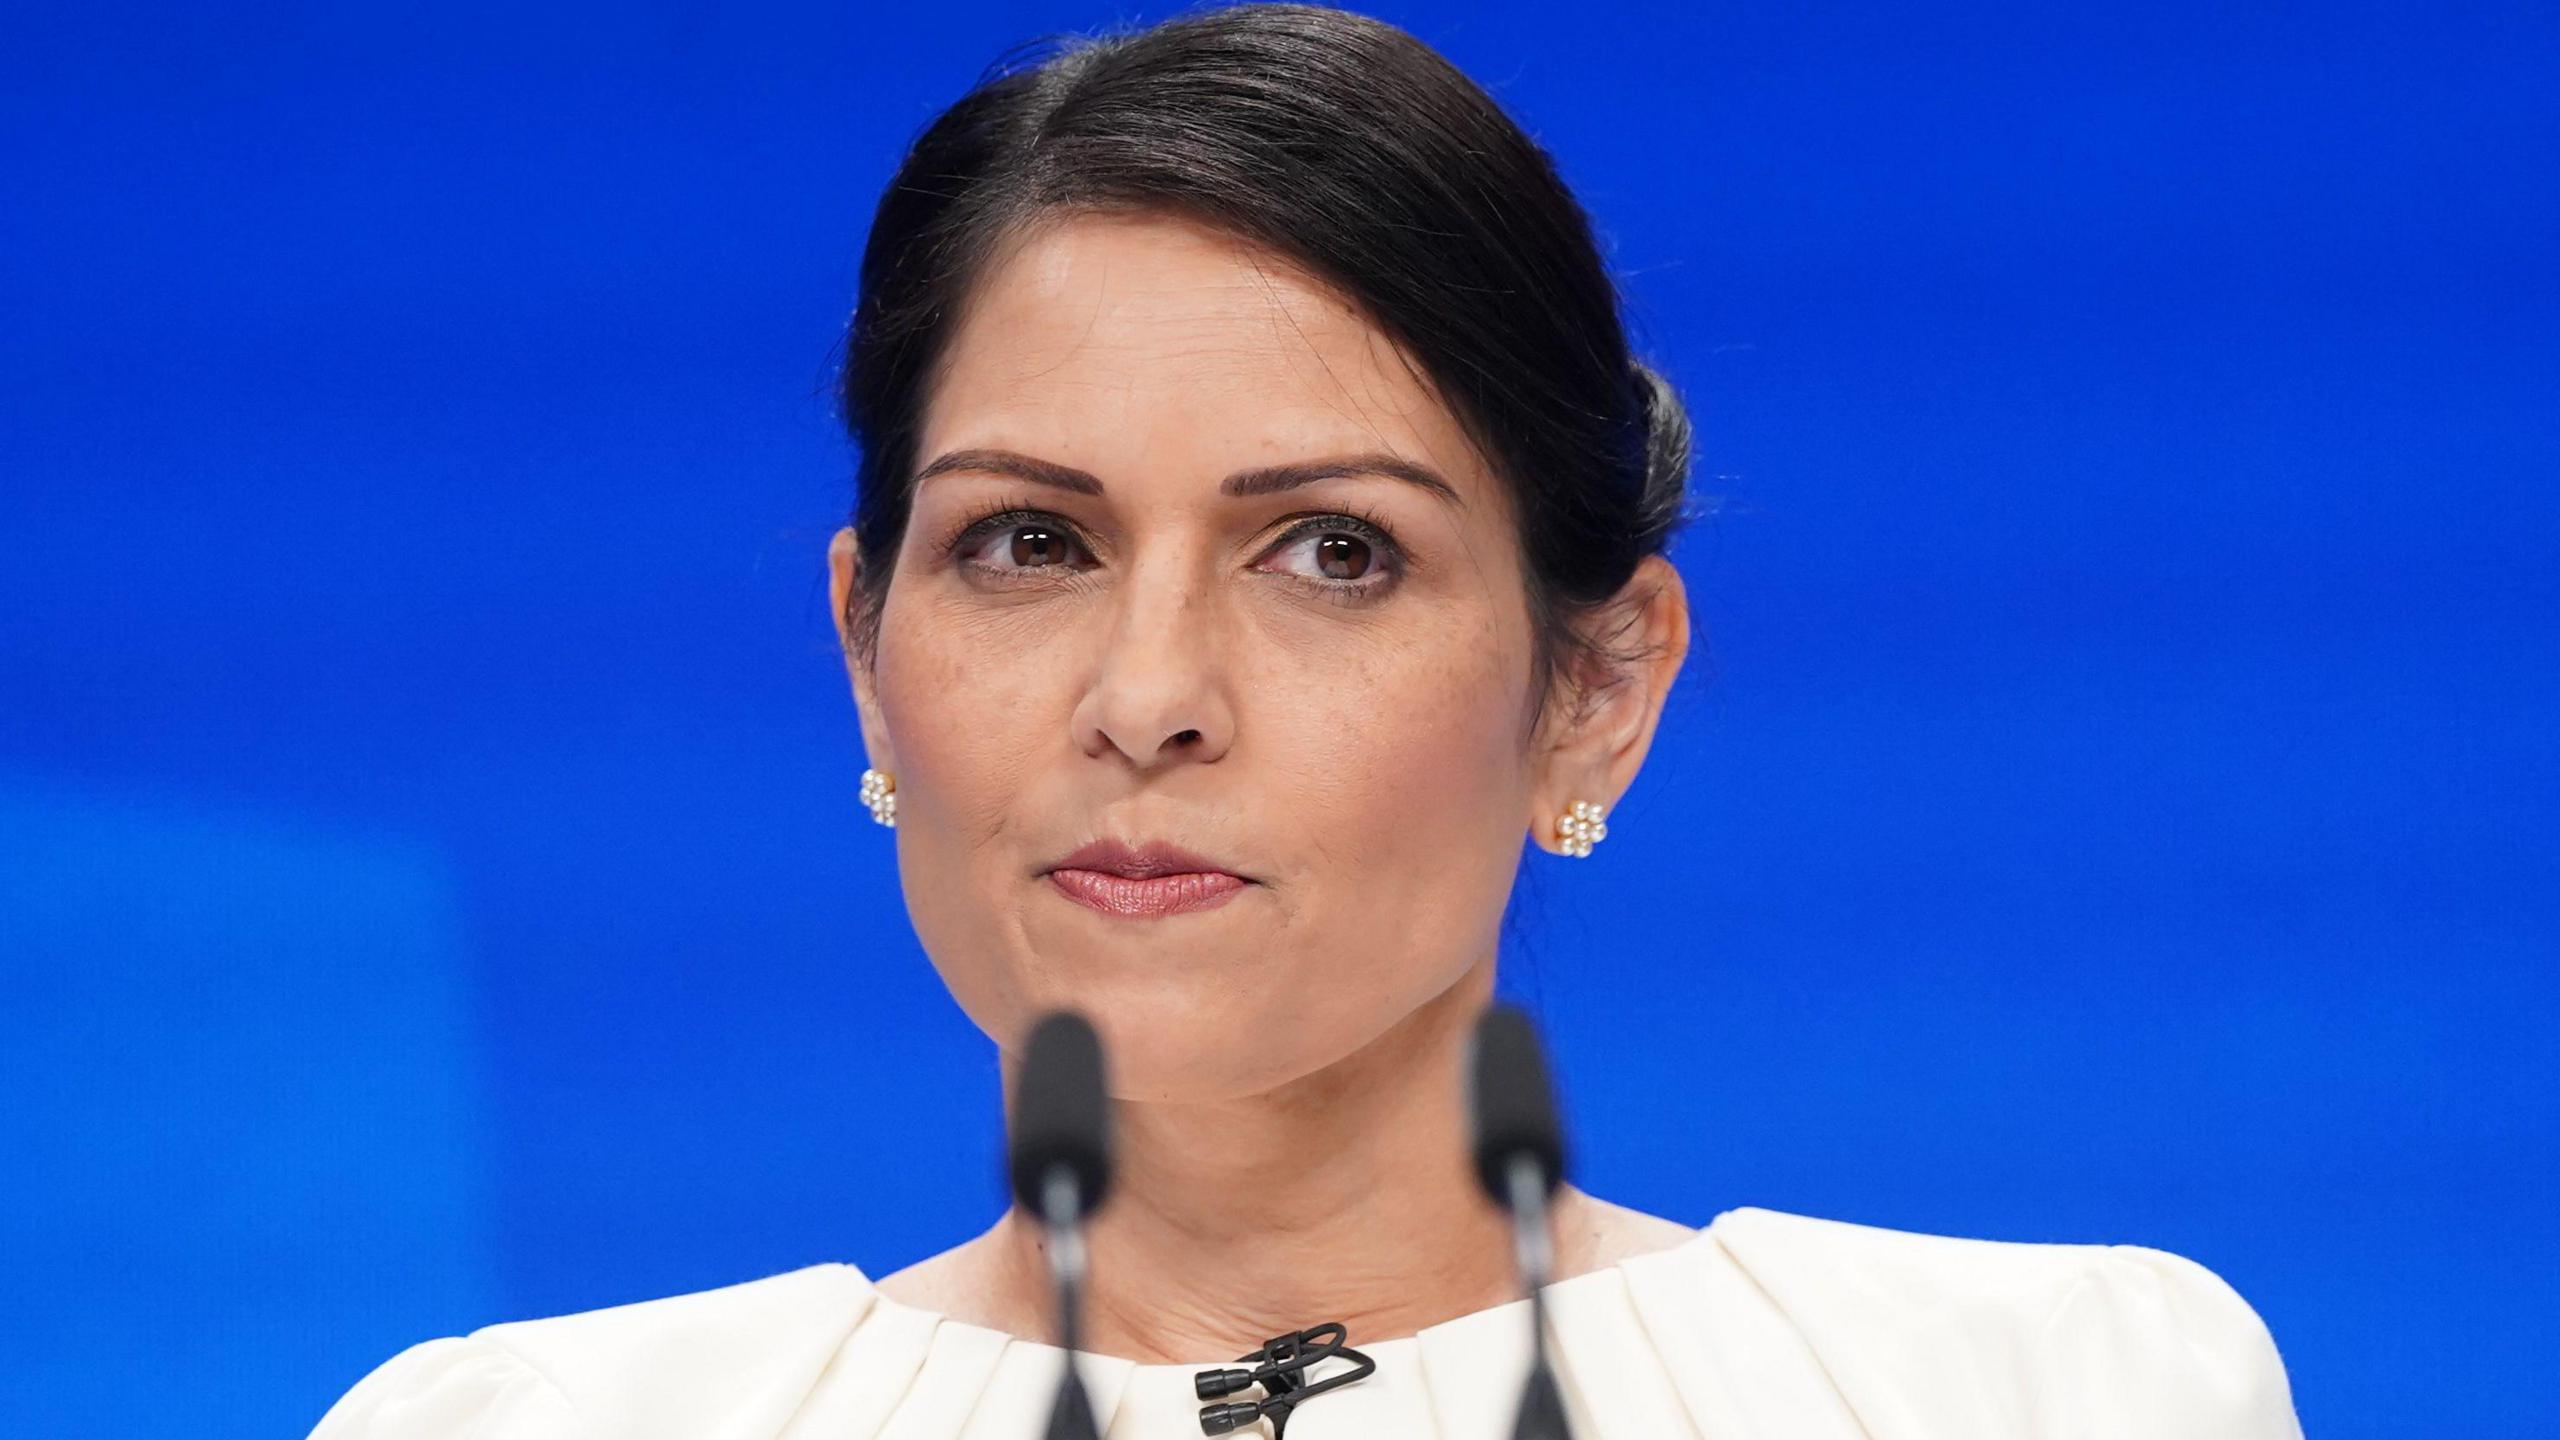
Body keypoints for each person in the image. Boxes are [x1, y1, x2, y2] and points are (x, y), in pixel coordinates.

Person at [309, 5, 2303, 1436]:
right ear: (865, 655)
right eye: (1025, 541)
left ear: (1589, 693)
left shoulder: (2027, 1396)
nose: (1149, 698)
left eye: (1331, 552)